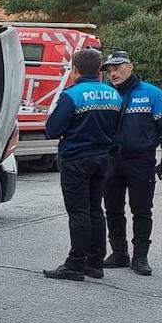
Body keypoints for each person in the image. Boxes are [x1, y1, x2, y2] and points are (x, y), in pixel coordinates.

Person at [42, 47, 122, 282]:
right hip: (103, 159)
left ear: (75, 70)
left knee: (78, 212)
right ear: (99, 71)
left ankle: (75, 263)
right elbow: (117, 130)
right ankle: (95, 263)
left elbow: (52, 130)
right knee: (95, 209)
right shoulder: (113, 94)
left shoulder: (72, 94)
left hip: (76, 159)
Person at [101, 50, 162, 276]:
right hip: (111, 161)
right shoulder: (107, 94)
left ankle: (140, 257)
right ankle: (119, 253)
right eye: (110, 70)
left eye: (117, 68)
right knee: (113, 209)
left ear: (130, 67)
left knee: (142, 210)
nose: (113, 73)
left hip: (141, 162)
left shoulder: (151, 93)